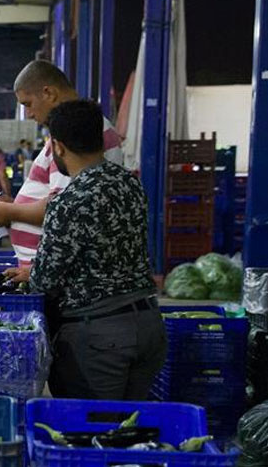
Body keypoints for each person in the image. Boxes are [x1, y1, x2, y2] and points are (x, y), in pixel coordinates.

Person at [9, 99, 165, 400]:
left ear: (58, 146)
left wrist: (34, 273)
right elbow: (106, 250)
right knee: (131, 430)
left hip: (100, 339)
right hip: (148, 326)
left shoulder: (69, 201)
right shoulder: (130, 185)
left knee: (93, 431)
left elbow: (46, 282)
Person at [0, 60, 124, 266]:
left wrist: (8, 212)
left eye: (28, 104)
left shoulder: (76, 134)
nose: (29, 114)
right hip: (47, 268)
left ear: (49, 93)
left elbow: (64, 209)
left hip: (53, 270)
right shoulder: (81, 129)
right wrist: (13, 203)